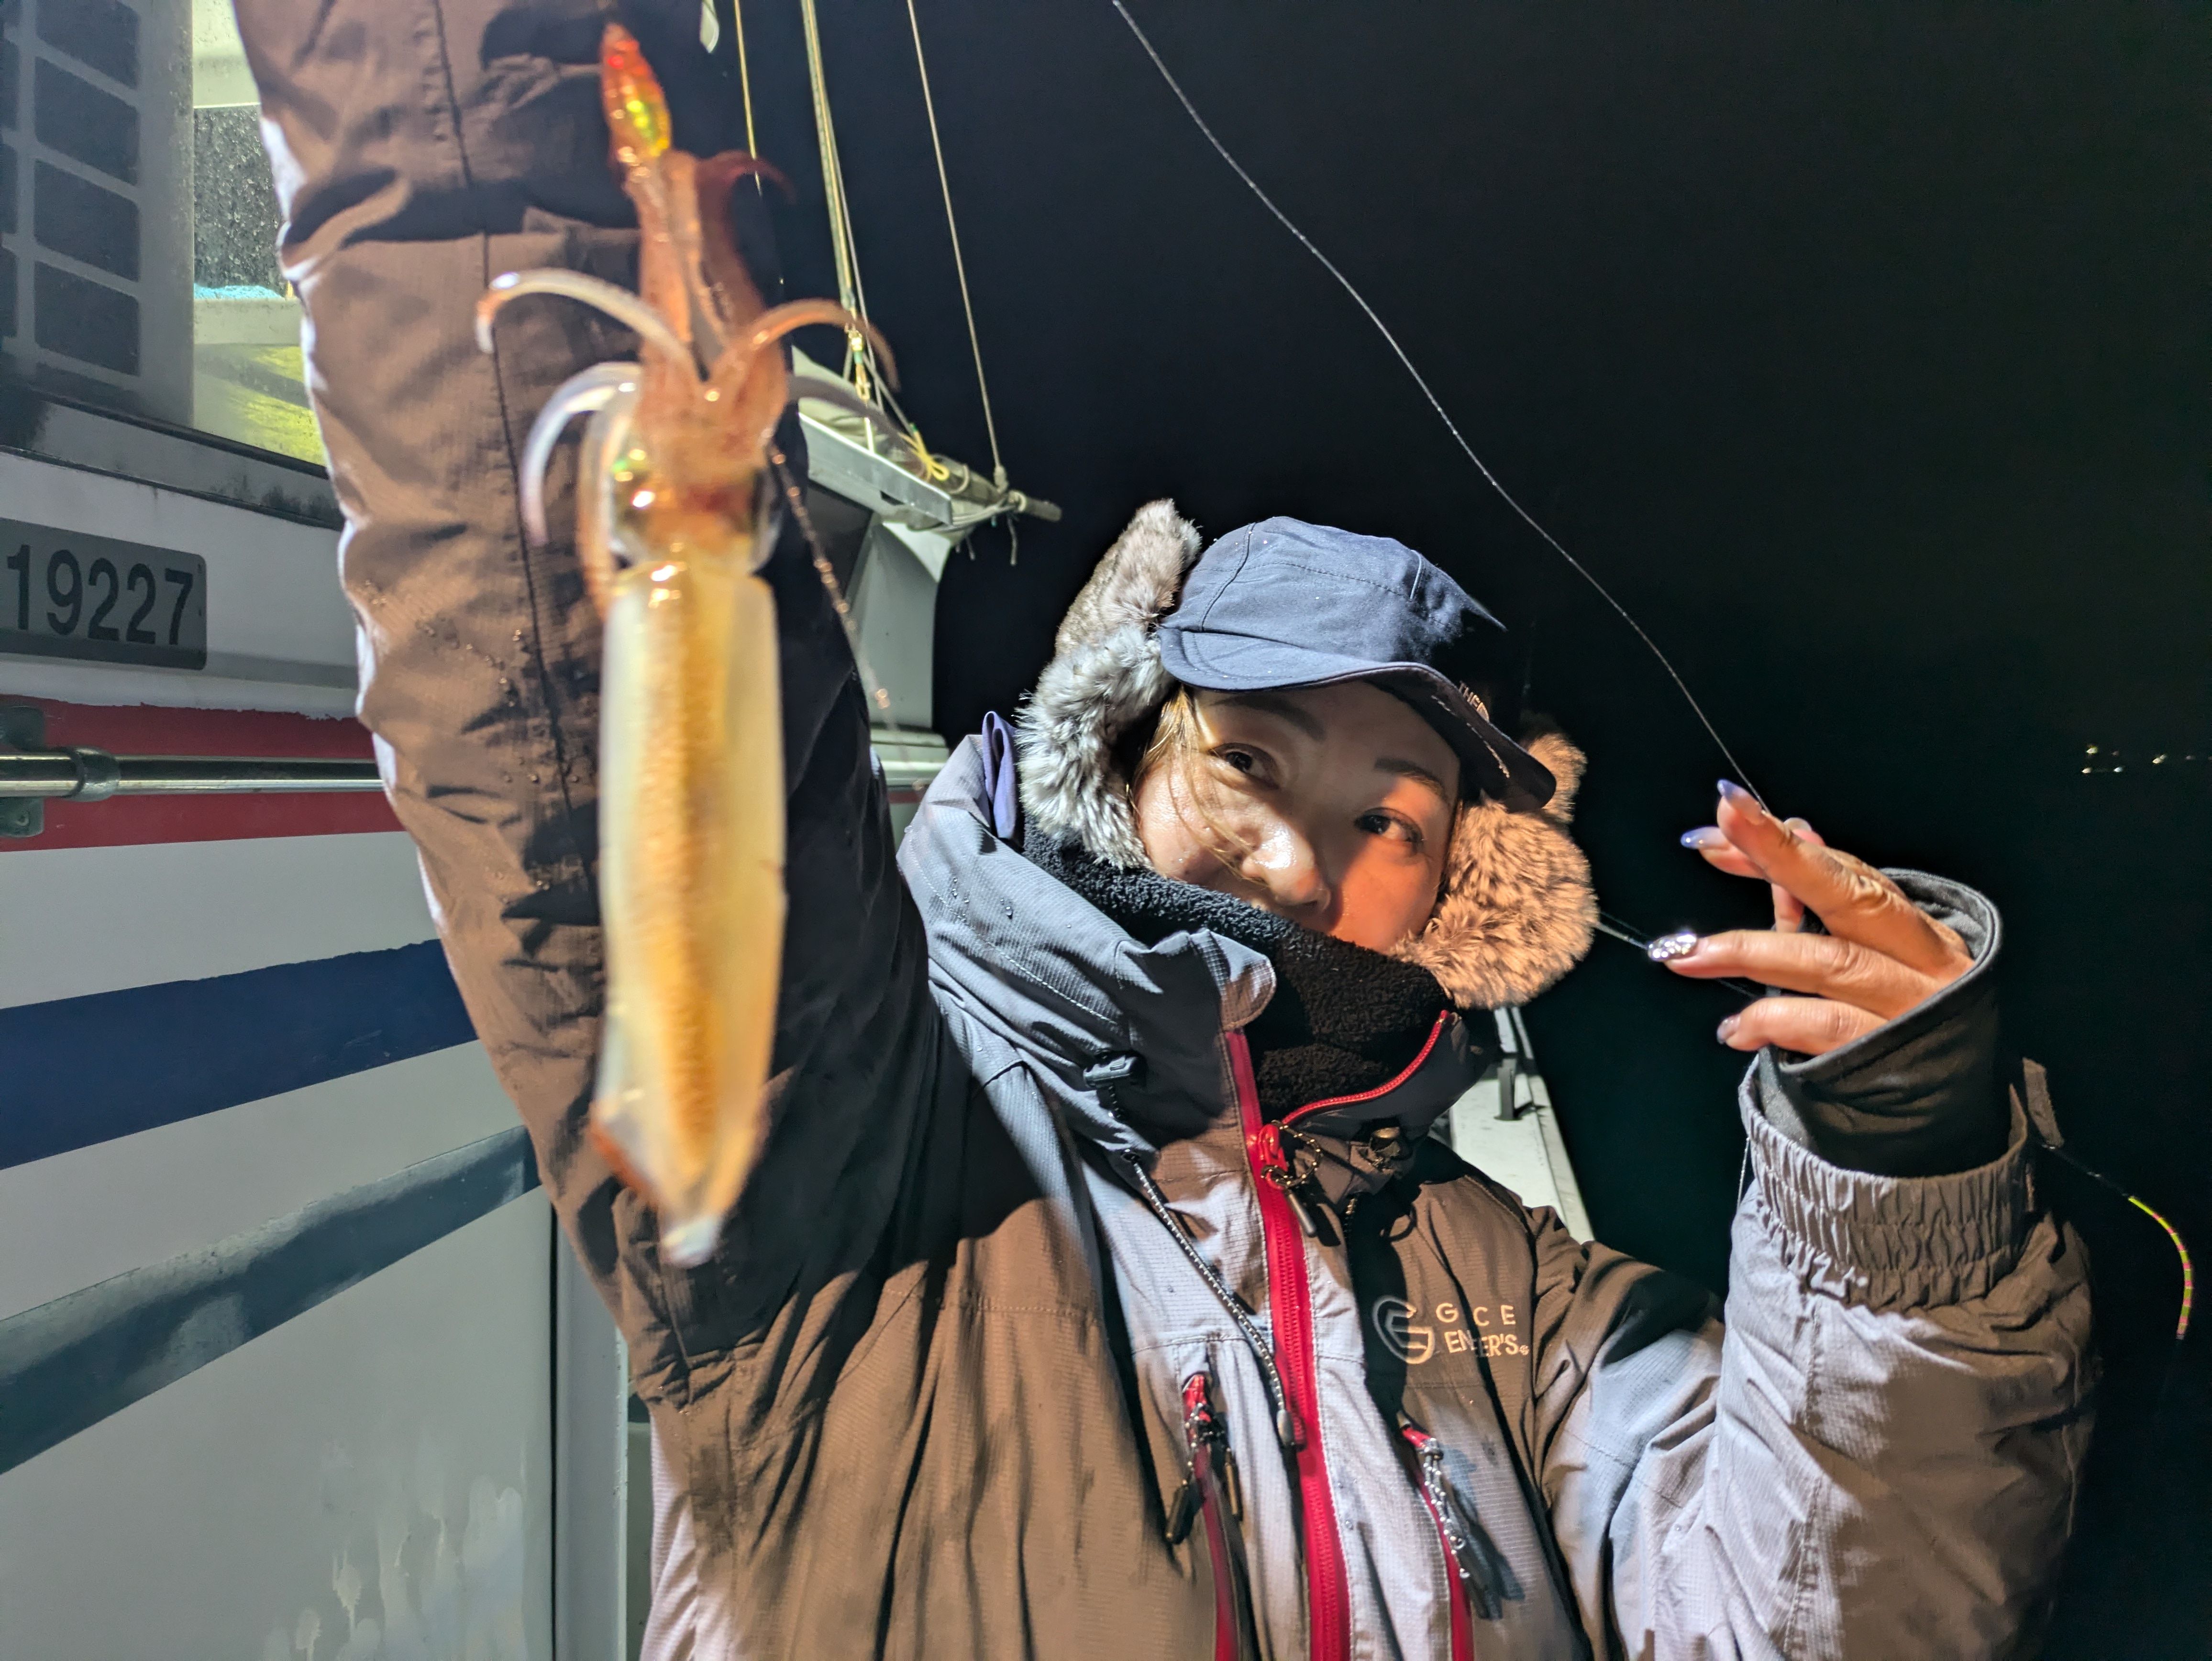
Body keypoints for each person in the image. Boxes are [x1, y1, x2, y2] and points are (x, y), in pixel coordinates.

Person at [237, 3, 2093, 1655]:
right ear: (1119, 752)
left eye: (1391, 818)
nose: (1298, 864)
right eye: (1252, 766)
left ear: (1457, 892)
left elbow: (1816, 1614)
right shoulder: (878, 1161)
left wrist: (1905, 1169)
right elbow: (557, 710)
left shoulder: (1517, 1303)